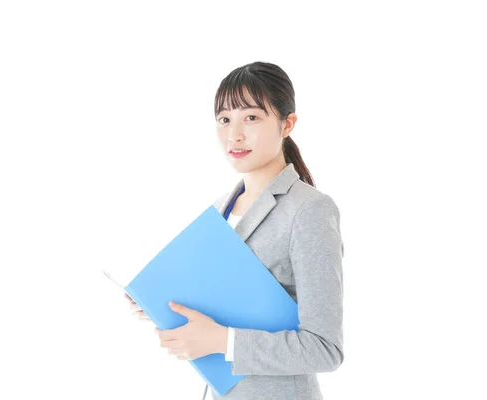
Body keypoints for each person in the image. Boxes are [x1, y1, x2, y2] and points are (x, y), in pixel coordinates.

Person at [125, 61, 344, 400]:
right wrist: (159, 301)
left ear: (288, 124)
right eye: (225, 119)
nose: (234, 134)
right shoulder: (221, 207)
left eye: (251, 118)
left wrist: (223, 341)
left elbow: (325, 348)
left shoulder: (310, 210)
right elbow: (219, 302)